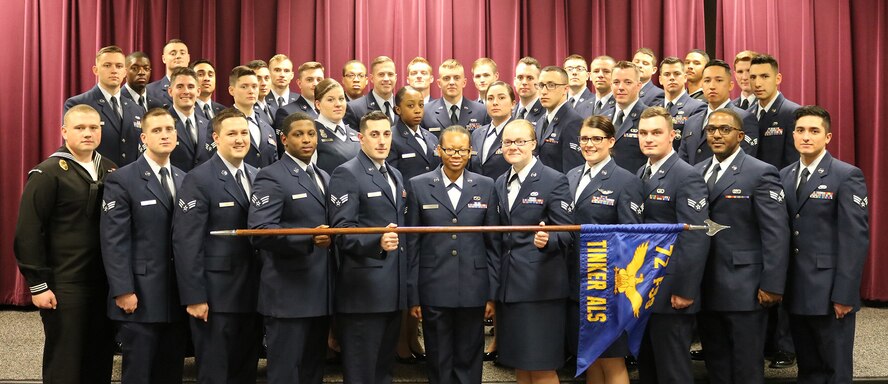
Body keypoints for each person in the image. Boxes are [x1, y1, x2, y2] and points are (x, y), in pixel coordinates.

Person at [14, 104, 118, 384]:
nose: (88, 133)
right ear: (64, 131)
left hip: (104, 283)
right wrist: (38, 284)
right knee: (65, 362)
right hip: (65, 284)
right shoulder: (48, 172)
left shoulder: (110, 169)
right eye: (79, 128)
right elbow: (28, 230)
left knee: (99, 359)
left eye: (93, 127)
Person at [694, 108, 790, 384]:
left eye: (725, 129)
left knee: (746, 366)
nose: (717, 135)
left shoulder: (761, 173)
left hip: (745, 288)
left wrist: (772, 284)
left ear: (740, 136)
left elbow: (776, 233)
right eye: (711, 129)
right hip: (705, 284)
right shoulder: (697, 171)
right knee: (716, 364)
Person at [780, 105, 869, 384]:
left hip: (830, 292)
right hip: (795, 289)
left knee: (835, 370)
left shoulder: (846, 175)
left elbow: (854, 240)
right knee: (808, 369)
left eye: (814, 131)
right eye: (800, 130)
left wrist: (845, 294)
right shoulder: (783, 176)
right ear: (793, 135)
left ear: (828, 137)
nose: (806, 136)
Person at [173, 108, 262, 384]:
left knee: (246, 372)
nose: (240, 139)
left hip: (254, 294)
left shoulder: (258, 175)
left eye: (244, 133)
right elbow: (187, 242)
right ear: (216, 138)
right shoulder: (198, 179)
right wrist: (194, 296)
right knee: (216, 373)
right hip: (216, 297)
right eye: (232, 133)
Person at [405, 125, 500, 384]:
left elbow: (493, 244)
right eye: (449, 150)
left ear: (470, 152)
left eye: (461, 150)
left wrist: (492, 293)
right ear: (439, 150)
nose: (456, 155)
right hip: (433, 286)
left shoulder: (486, 185)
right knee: (438, 359)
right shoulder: (418, 185)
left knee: (469, 358)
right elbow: (412, 245)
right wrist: (413, 296)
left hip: (474, 287)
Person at [100, 107, 187, 384]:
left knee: (170, 373)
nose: (165, 135)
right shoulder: (122, 179)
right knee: (139, 373)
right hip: (140, 296)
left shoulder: (184, 178)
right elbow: (114, 240)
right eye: (157, 130)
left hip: (176, 296)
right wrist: (123, 289)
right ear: (144, 138)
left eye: (169, 129)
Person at [248, 112, 334, 384]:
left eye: (311, 134)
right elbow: (260, 232)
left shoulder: (323, 176)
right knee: (286, 373)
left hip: (321, 291)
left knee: (312, 372)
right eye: (298, 134)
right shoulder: (271, 176)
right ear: (284, 139)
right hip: (287, 294)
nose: (306, 139)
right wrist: (308, 239)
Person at [328, 111, 408, 384]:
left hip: (393, 288)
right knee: (362, 372)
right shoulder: (347, 173)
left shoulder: (395, 173)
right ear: (361, 138)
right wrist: (377, 242)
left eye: (386, 134)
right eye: (374, 134)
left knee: (383, 370)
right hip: (363, 291)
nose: (382, 141)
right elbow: (341, 233)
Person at [634, 106, 710, 384]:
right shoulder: (641, 172)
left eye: (656, 132)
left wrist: (685, 289)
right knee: (648, 368)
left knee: (673, 370)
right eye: (643, 133)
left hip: (671, 291)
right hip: (643, 287)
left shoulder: (686, 175)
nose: (648, 138)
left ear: (672, 136)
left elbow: (694, 237)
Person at [566, 116, 643, 384]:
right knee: (591, 358)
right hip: (577, 281)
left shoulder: (625, 181)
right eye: (584, 138)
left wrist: (616, 284)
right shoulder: (572, 176)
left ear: (611, 141)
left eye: (596, 139)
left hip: (606, 285)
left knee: (611, 359)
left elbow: (631, 238)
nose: (589, 144)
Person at [495, 119, 573, 384]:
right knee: (520, 364)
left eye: (520, 141)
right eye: (508, 142)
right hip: (509, 286)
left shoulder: (554, 180)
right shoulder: (500, 182)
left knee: (541, 366)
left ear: (533, 144)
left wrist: (548, 239)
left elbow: (568, 231)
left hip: (541, 287)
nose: (513, 147)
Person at [63, 45, 145, 167]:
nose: (114, 70)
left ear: (125, 72)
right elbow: (73, 147)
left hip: (129, 177)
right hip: (94, 176)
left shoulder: (137, 109)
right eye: (107, 65)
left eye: (119, 66)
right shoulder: (78, 104)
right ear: (95, 70)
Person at [678, 60, 759, 165]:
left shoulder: (744, 118)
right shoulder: (692, 121)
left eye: (719, 80)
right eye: (707, 81)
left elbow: (744, 161)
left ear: (730, 85)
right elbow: (682, 161)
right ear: (702, 85)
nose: (712, 86)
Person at [749, 54, 801, 170]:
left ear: (778, 79)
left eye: (765, 76)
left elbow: (793, 162)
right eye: (753, 77)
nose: (757, 84)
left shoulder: (792, 113)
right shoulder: (747, 115)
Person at [534, 66, 585, 173]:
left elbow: (573, 172)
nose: (543, 91)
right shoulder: (541, 121)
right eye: (541, 85)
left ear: (565, 89)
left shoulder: (573, 122)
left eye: (551, 85)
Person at [422, 59, 490, 136]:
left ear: (464, 82)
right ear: (439, 83)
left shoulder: (481, 111)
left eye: (456, 78)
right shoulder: (426, 112)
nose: (452, 82)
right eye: (446, 78)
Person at [227, 66, 278, 168]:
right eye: (244, 87)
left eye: (254, 86)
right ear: (231, 90)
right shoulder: (222, 122)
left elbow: (274, 163)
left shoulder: (267, 127)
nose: (251, 91)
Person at [388, 86, 440, 184]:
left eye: (421, 105)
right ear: (398, 110)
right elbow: (391, 177)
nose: (417, 110)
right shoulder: (391, 137)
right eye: (411, 105)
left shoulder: (432, 138)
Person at [167, 67, 213, 172]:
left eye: (190, 87)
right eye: (180, 87)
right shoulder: (161, 124)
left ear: (198, 91)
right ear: (170, 91)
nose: (186, 91)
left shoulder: (208, 125)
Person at [312, 78, 361, 174]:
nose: (338, 104)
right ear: (318, 105)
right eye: (330, 100)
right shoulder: (311, 134)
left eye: (341, 99)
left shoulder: (356, 135)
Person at [469, 81, 514, 180]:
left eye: (501, 98)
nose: (495, 103)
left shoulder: (519, 132)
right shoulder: (477, 134)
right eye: (490, 98)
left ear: (513, 104)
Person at [658, 57, 706, 149]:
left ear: (685, 78)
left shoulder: (698, 108)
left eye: (677, 74)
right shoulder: (653, 108)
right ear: (660, 80)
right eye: (667, 74)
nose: (672, 78)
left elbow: (693, 146)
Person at [609, 61, 649, 174]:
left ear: (639, 86)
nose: (621, 87)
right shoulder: (603, 117)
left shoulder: (649, 117)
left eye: (628, 82)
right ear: (611, 85)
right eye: (616, 82)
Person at [345, 56, 399, 128]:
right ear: (372, 78)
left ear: (395, 78)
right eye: (381, 74)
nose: (386, 79)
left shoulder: (402, 106)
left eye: (390, 74)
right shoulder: (354, 109)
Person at [274, 61, 325, 130]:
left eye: (319, 80)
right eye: (309, 80)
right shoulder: (287, 112)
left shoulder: (329, 110)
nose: (315, 84)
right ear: (299, 83)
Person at [147, 39, 190, 107]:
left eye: (182, 53)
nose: (178, 56)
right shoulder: (150, 90)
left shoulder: (197, 89)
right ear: (163, 58)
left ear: (188, 58)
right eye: (173, 54)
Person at [512, 57, 545, 122]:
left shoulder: (547, 112)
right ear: (515, 81)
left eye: (530, 78)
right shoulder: (508, 113)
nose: (524, 82)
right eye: (520, 78)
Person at [247, 60, 276, 126]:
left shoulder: (273, 109)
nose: (264, 83)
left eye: (267, 78)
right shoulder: (247, 110)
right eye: (258, 79)